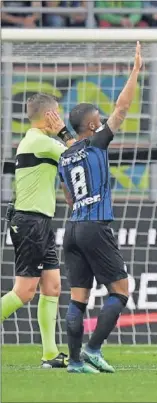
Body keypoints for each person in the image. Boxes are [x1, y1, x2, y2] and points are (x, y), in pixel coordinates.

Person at [58, 42, 142, 374]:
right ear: (92, 126)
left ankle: (75, 361)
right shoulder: (97, 142)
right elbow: (122, 108)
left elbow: (68, 197)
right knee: (120, 291)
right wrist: (135, 71)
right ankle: (93, 349)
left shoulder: (65, 156)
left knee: (79, 297)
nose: (103, 119)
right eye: (99, 118)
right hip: (95, 226)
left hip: (73, 227)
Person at [1, 93, 75, 368]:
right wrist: (64, 132)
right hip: (29, 221)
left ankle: (49, 355)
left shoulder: (40, 143)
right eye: (57, 113)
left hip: (40, 222)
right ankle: (48, 353)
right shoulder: (41, 141)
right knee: (23, 292)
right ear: (48, 116)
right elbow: (79, 154)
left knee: (52, 287)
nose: (60, 117)